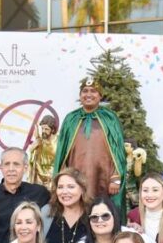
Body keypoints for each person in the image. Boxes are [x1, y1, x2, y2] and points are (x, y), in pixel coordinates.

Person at [53, 77, 128, 208]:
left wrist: (116, 178)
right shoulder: (71, 119)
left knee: (103, 212)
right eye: (85, 91)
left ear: (100, 95)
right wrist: (63, 180)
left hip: (104, 178)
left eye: (93, 91)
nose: (88, 94)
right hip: (75, 179)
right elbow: (62, 152)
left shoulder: (110, 118)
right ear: (80, 95)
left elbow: (118, 152)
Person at [44, 168, 91, 243]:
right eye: (60, 187)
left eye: (71, 187)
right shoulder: (46, 212)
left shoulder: (93, 214)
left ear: (82, 189)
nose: (64, 192)